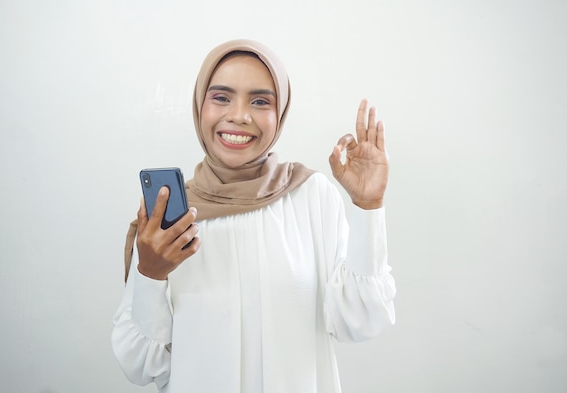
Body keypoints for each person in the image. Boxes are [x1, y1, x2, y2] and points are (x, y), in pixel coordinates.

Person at [112, 39, 396, 393]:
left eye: (260, 101)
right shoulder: (169, 217)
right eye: (221, 97)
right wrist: (150, 275)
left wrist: (368, 207)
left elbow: (361, 320)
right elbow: (139, 365)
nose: (239, 115)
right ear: (200, 105)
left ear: (281, 113)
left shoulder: (311, 196)